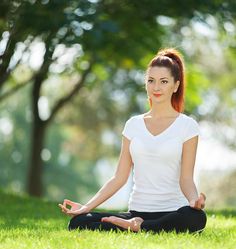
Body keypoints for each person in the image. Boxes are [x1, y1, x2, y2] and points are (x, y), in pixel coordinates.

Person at [58, 48, 207, 234]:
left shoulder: (187, 126)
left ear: (175, 86)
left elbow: (186, 178)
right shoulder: (133, 125)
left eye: (164, 82)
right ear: (146, 84)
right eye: (151, 81)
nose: (156, 88)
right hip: (136, 211)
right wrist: (86, 207)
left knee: (196, 218)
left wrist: (194, 201)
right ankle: (137, 225)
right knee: (78, 222)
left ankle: (138, 227)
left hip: (172, 212)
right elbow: (119, 177)